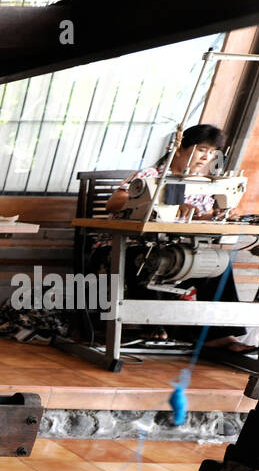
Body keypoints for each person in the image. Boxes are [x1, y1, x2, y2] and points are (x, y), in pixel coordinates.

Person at [101, 124, 250, 351]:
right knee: (152, 259)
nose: (206, 157)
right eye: (201, 149)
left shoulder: (203, 184)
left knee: (219, 265)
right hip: (128, 246)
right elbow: (113, 204)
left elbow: (197, 219)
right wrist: (160, 202)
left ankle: (220, 334)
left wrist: (213, 216)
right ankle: (155, 325)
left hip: (177, 250)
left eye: (211, 152)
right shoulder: (152, 175)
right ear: (180, 148)